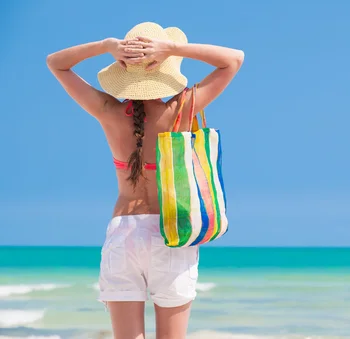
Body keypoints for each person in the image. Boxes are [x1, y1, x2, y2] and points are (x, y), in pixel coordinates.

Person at [46, 22, 244, 339]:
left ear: (123, 71)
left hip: (123, 233)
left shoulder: (107, 109)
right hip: (171, 232)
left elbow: (56, 63)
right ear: (165, 68)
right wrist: (173, 49)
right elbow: (233, 59)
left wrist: (107, 45)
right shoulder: (180, 110)